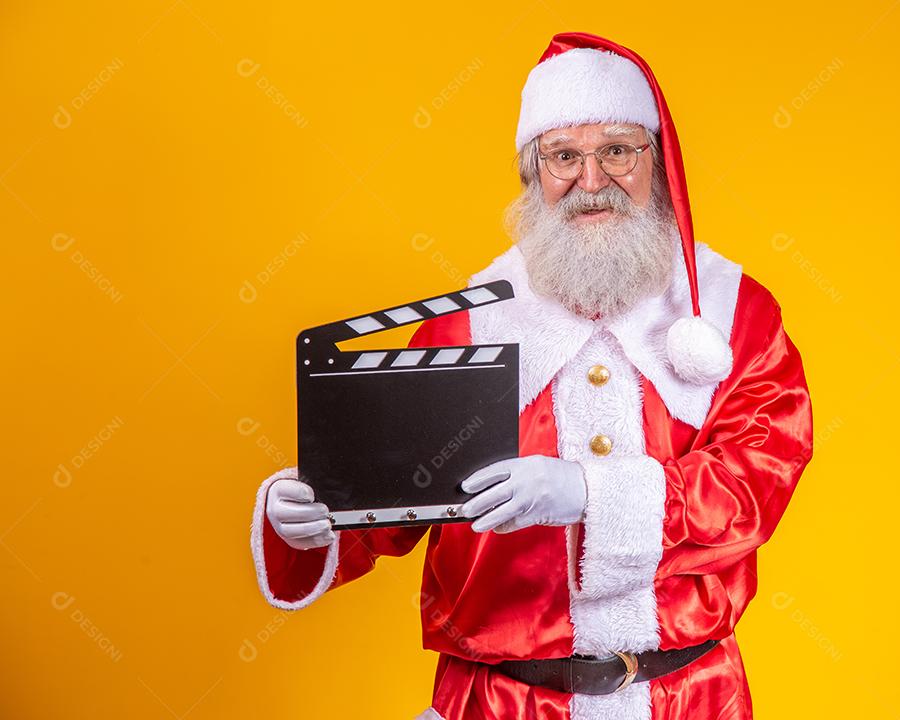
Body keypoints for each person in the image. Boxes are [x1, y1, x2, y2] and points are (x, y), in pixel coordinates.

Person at [249, 32, 814, 720]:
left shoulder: (731, 313)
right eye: (564, 156)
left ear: (658, 161)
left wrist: (589, 493)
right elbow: (391, 498)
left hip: (689, 699)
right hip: (500, 703)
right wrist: (313, 519)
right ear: (533, 173)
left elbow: (758, 479)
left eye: (617, 150)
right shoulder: (470, 323)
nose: (591, 180)